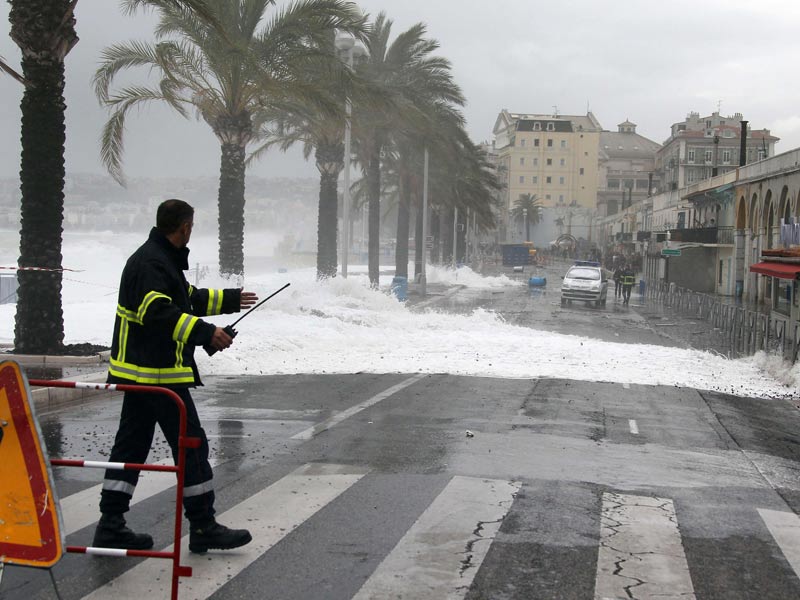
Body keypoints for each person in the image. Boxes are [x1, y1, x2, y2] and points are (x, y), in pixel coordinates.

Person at [93, 199, 258, 554]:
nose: (191, 233)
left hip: (143, 373)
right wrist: (205, 333)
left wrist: (230, 299)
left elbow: (186, 299)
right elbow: (158, 311)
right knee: (191, 443)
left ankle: (110, 524)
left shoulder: (159, 258)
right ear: (184, 227)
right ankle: (203, 526)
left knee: (131, 447)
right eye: (191, 228)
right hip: (155, 374)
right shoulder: (153, 263)